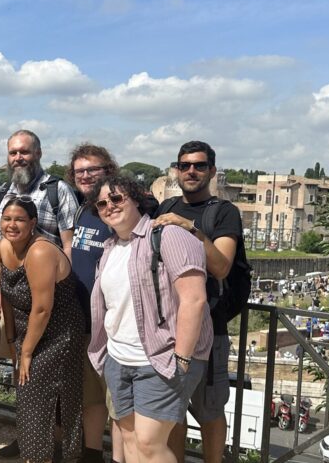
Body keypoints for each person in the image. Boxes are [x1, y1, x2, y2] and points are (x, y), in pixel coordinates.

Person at [87, 175, 212, 463]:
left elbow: (194, 299)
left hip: (161, 359)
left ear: (136, 199)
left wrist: (181, 359)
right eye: (102, 203)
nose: (109, 206)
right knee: (129, 440)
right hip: (119, 359)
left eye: (117, 198)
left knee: (148, 444)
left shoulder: (169, 235)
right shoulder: (109, 248)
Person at [152, 141, 248, 463]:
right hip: (168, 328)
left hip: (210, 329)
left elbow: (221, 265)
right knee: (172, 410)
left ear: (212, 171)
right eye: (184, 165)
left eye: (199, 165)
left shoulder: (224, 213)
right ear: (177, 171)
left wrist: (189, 228)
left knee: (209, 410)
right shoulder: (164, 208)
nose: (191, 171)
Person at [0, 130, 80, 459]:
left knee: (48, 388)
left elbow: (69, 244)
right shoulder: (3, 192)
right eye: (13, 152)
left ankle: (50, 449)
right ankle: (32, 442)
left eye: (24, 152)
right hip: (24, 304)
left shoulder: (57, 191)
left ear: (38, 153)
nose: (18, 158)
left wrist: (66, 281)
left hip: (53, 305)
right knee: (29, 387)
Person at [0, 196, 85, 463]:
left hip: (59, 333)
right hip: (30, 332)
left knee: (37, 398)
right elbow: (7, 296)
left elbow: (42, 308)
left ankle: (42, 456)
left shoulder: (40, 251)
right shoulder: (4, 245)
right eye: (7, 219)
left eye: (20, 220)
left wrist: (25, 353)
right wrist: (13, 339)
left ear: (33, 223)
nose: (12, 225)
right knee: (29, 399)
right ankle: (38, 454)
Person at [67, 143, 122, 463]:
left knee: (116, 399)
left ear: (108, 171)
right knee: (91, 395)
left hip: (113, 321)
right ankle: (92, 453)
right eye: (80, 171)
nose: (85, 175)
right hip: (83, 318)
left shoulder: (116, 209)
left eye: (93, 169)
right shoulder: (81, 209)